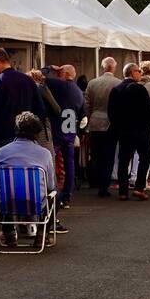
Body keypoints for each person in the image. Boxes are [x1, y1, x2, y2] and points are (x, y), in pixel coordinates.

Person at [0, 111, 59, 249]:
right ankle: (42, 235)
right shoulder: (44, 153)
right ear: (36, 133)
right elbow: (50, 185)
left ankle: (10, 234)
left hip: (8, 203)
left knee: (4, 192)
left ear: (16, 130)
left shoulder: (2, 151)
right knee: (54, 196)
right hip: (35, 203)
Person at [108, 61, 150, 200]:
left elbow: (111, 113)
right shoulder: (140, 89)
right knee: (144, 158)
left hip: (124, 131)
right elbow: (148, 110)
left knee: (124, 160)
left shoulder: (116, 89)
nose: (140, 73)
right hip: (141, 130)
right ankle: (139, 188)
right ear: (132, 73)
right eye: (138, 71)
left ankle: (123, 191)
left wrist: (119, 127)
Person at [0, 48, 42, 152]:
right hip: (27, 138)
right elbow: (39, 109)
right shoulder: (28, 80)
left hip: (3, 139)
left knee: (5, 167)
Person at [45, 64, 83, 209]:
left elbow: (40, 76)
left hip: (56, 129)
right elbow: (81, 113)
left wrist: (50, 67)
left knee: (50, 160)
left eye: (60, 72)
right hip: (71, 130)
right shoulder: (78, 91)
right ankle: (67, 195)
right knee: (69, 163)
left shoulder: (58, 85)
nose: (58, 74)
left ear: (65, 73)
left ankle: (52, 193)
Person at [84, 56, 120, 197]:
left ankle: (95, 181)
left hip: (94, 122)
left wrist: (90, 116)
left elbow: (86, 104)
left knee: (96, 154)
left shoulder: (92, 83)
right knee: (109, 156)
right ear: (113, 67)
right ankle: (104, 186)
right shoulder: (118, 83)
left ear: (102, 67)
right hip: (110, 124)